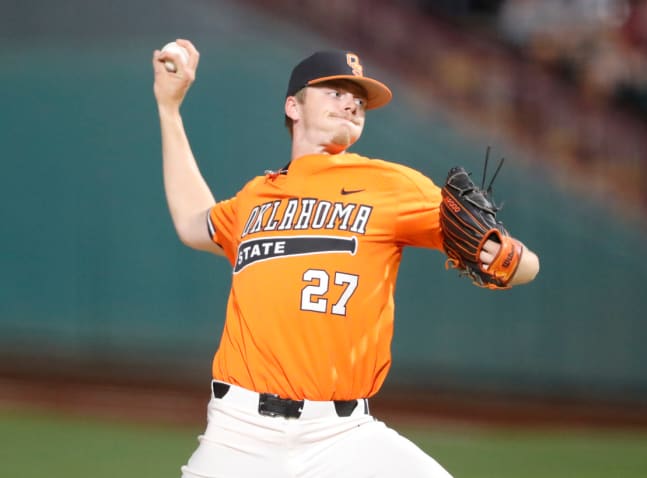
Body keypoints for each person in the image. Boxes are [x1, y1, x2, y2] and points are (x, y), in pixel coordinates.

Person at [152, 39, 539, 478]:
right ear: (293, 107)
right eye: (334, 93)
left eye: (358, 101)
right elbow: (191, 223)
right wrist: (169, 109)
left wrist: (503, 254)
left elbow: (522, 265)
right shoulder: (256, 196)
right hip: (237, 433)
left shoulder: (391, 185)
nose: (351, 105)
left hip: (342, 437)